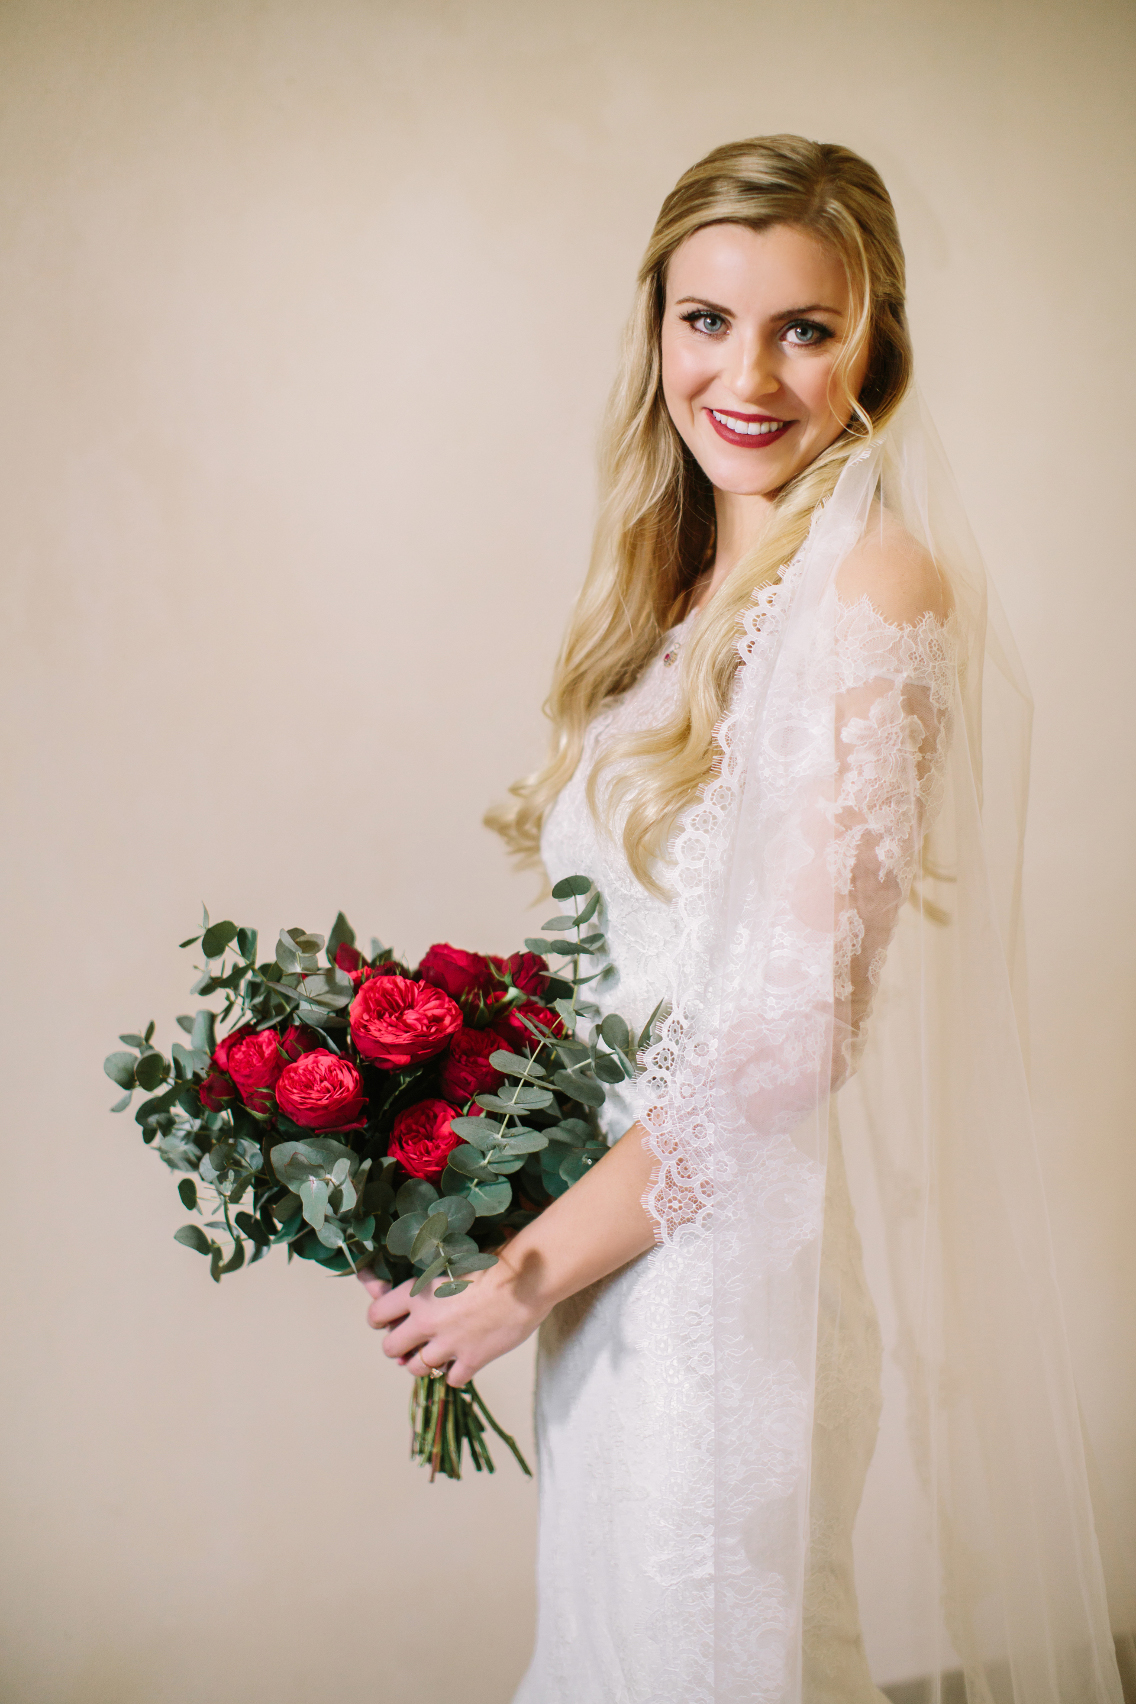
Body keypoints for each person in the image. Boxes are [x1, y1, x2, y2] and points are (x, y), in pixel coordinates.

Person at [362, 138, 1124, 1703]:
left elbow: (787, 1036)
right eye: (707, 319)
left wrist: (519, 1280)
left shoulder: (874, 587)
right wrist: (470, 1189)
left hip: (723, 1289)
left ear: (876, 343)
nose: (749, 373)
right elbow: (635, 978)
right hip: (615, 1264)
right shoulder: (683, 592)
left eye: (806, 326)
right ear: (656, 329)